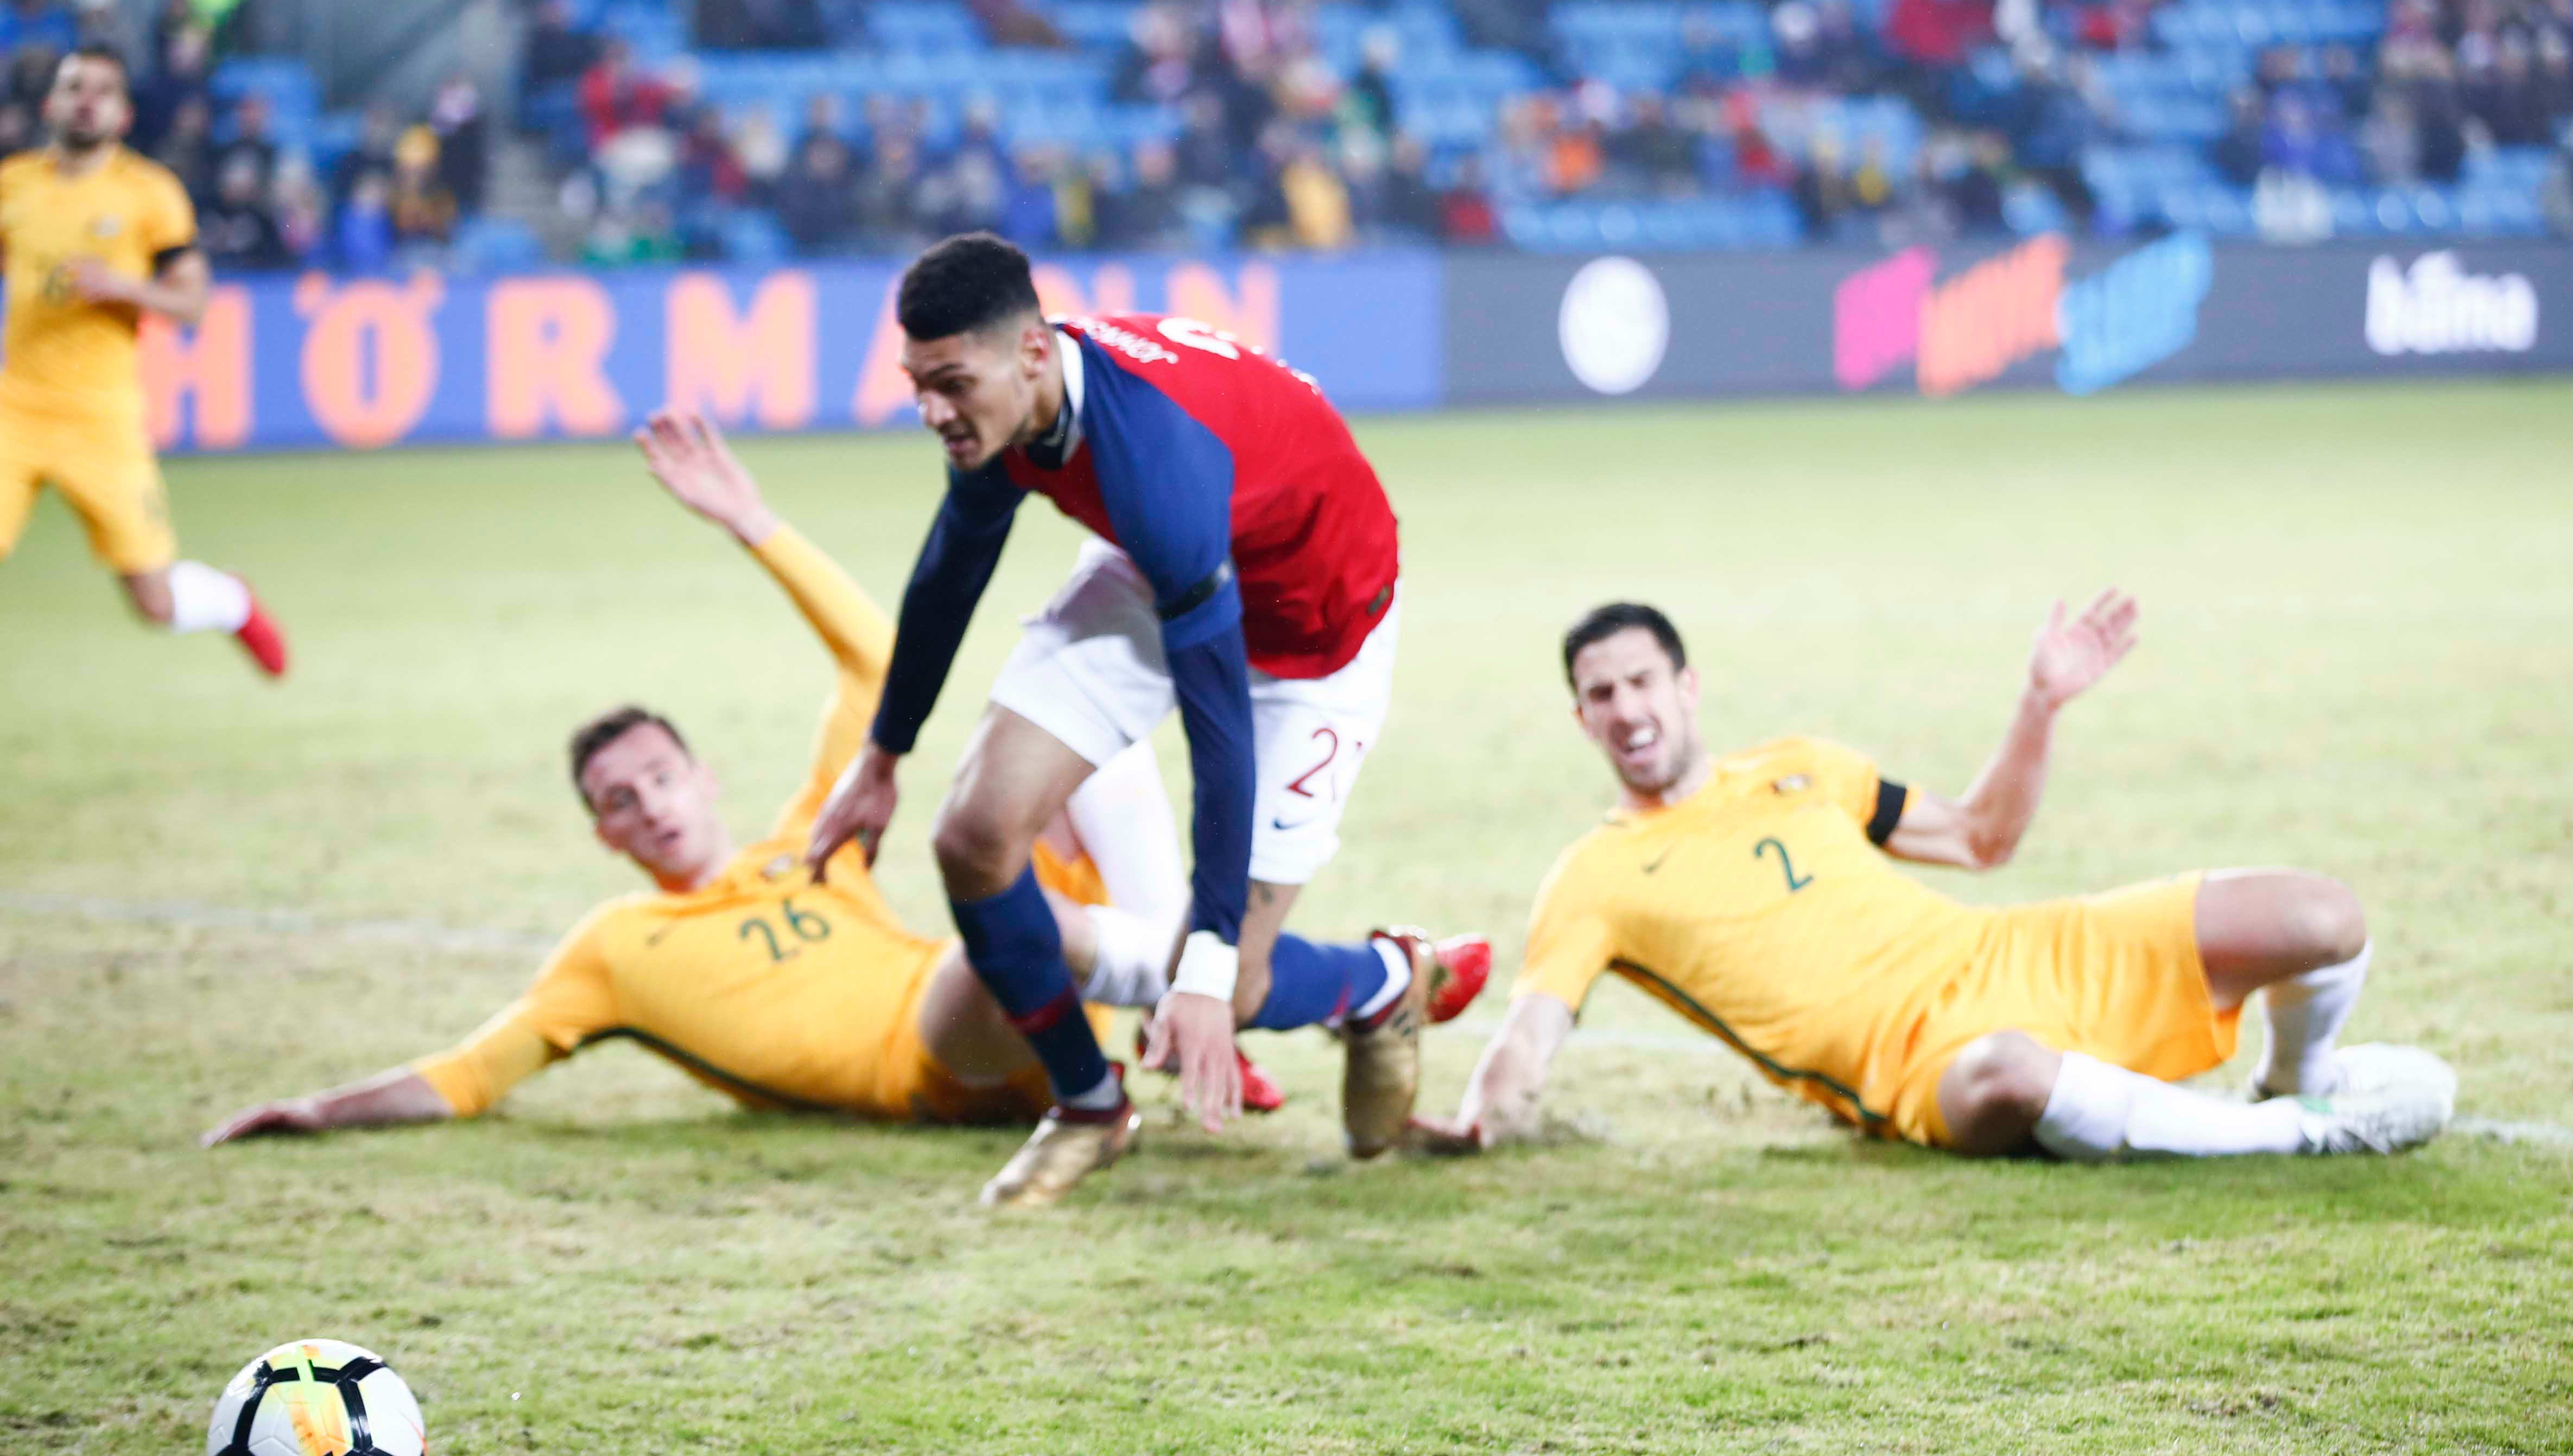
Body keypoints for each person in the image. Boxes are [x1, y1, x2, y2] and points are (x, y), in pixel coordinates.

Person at [201, 408, 1221, 1155]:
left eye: (659, 776)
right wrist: (324, 1109)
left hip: (1040, 1009)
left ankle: (1178, 989)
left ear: (705, 778)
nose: (650, 804)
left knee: (1076, 739)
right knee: (999, 920)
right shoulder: (615, 949)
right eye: (620, 800)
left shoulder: (811, 842)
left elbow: (877, 662)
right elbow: (469, 1074)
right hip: (942, 1056)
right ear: (605, 836)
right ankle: (1192, 980)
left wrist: (752, 522)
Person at [804, 234, 1490, 1207]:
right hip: (1167, 567)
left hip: (1315, 633)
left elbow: (1220, 735)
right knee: (972, 838)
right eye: (918, 385)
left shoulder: (1153, 462)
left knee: (1230, 984)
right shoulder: (1011, 412)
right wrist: (882, 755)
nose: (932, 412)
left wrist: (1205, 969)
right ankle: (1088, 1103)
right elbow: (953, 566)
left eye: (951, 385)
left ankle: (1382, 981)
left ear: (1031, 353)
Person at [1417, 599, 2456, 1163]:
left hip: (2013, 951)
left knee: (2321, 916)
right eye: (1600, 694)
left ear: (1685, 685)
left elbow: (1979, 837)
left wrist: (2039, 703)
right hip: (1918, 1065)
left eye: (1640, 680)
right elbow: (1527, 1038)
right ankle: (2298, 1137)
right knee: (2010, 1074)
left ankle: (2290, 1082)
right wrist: (1477, 1119)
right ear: (1582, 719)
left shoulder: (1801, 766)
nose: (1625, 708)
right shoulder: (1592, 876)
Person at [0, 46, 284, 673]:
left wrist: (125, 288)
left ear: (124, 115)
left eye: (103, 91)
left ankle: (231, 601)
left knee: (154, 602)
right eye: (74, 87)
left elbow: (194, 304)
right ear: (49, 104)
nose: (87, 101)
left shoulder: (150, 194)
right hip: (14, 410)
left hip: (101, 419)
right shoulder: (12, 184)